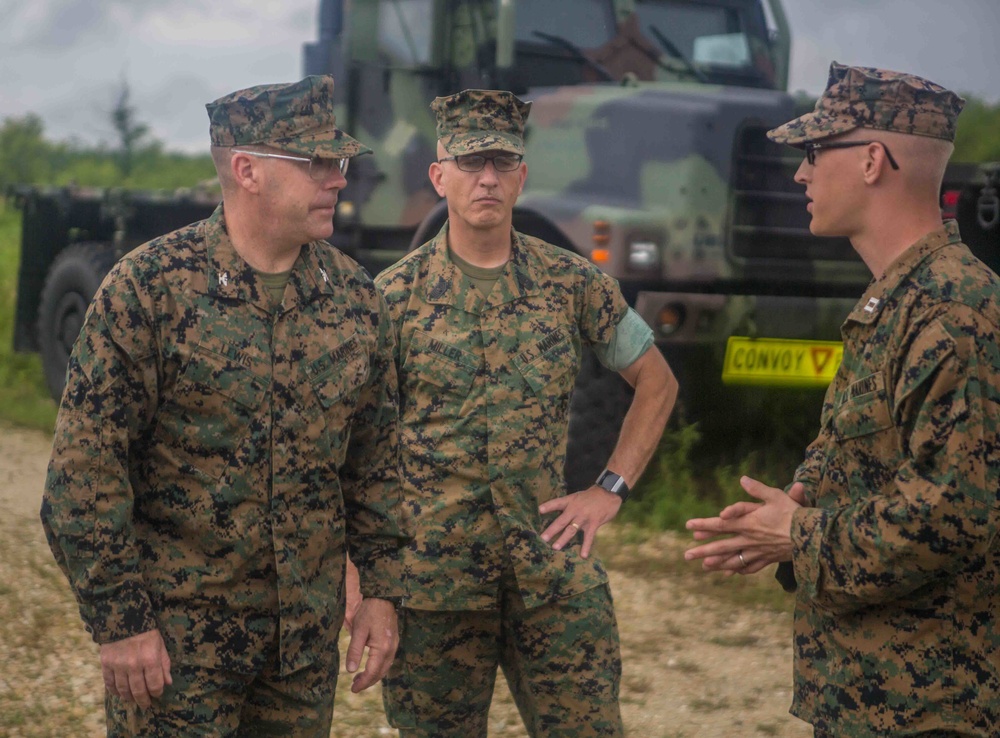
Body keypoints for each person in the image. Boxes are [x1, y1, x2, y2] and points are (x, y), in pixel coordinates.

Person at [40, 75, 409, 736]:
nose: (338, 179)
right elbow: (83, 477)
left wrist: (379, 589)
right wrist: (121, 623)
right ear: (247, 170)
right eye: (317, 162)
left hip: (299, 653)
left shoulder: (354, 298)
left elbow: (376, 461)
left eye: (341, 162)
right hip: (178, 652)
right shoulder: (148, 291)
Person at [684, 62, 1000, 737]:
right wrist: (795, 507)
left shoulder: (955, 313)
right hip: (874, 695)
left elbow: (954, 514)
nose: (800, 175)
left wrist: (798, 535)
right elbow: (873, 458)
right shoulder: (897, 301)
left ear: (871, 161)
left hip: (932, 707)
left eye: (814, 153)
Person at [372, 89, 678, 737]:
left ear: (522, 177)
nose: (487, 178)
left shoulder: (573, 284)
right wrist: (364, 572)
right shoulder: (392, 299)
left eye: (503, 164)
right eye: (471, 162)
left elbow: (656, 384)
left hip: (548, 571)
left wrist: (609, 488)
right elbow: (354, 443)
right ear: (439, 176)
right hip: (435, 585)